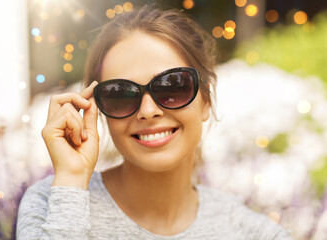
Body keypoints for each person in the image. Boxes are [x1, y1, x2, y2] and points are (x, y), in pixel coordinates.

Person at [17, 5, 293, 240]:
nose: (148, 111)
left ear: (206, 100)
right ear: (98, 109)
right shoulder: (52, 204)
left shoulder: (255, 234)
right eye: (121, 93)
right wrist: (72, 180)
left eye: (172, 86)